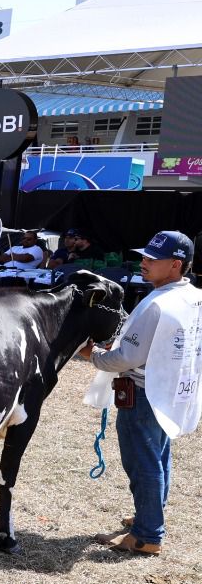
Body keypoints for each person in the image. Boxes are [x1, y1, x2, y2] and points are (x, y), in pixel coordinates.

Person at [81, 231, 202, 556]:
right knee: (159, 456)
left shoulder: (157, 304)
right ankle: (149, 516)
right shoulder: (194, 296)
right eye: (144, 256)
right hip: (173, 388)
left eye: (153, 259)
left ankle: (147, 535)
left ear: (176, 265)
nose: (144, 262)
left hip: (144, 391)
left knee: (143, 462)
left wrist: (93, 354)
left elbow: (127, 358)